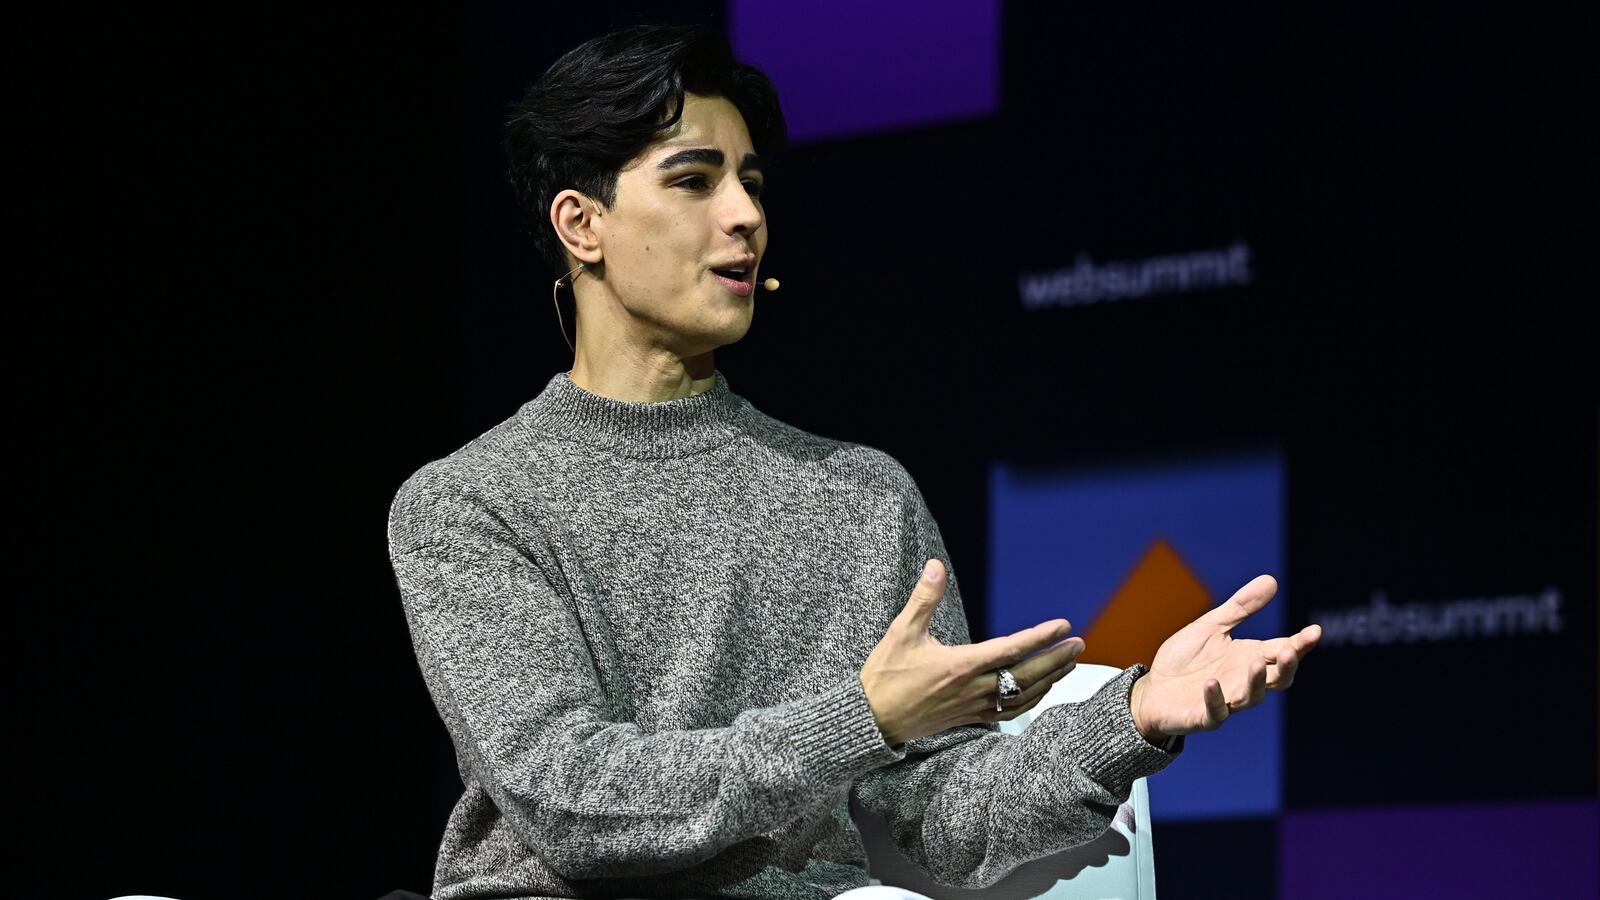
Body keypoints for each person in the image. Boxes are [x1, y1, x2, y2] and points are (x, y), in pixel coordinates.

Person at [385, 23, 1322, 900]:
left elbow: (938, 817)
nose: (746, 216)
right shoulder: (470, 503)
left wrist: (1131, 719)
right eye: (694, 180)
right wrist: (860, 720)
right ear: (581, 225)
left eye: (751, 182)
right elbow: (572, 800)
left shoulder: (859, 494)